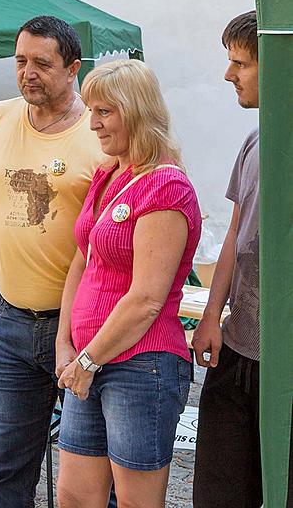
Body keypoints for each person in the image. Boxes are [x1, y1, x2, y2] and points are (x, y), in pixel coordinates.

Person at [0, 16, 104, 507]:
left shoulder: (100, 130)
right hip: (12, 321)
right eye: (21, 61)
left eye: (42, 63)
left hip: (86, 327)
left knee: (91, 470)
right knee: (6, 464)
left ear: (73, 69)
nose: (28, 73)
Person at [54, 59, 200, 507]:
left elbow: (147, 299)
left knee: (137, 500)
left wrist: (86, 359)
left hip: (141, 362)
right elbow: (83, 260)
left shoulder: (165, 187)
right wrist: (66, 344)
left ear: (136, 111)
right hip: (90, 359)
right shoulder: (110, 173)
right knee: (75, 496)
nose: (92, 123)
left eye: (105, 112)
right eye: (91, 109)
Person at [191, 11, 287, 507]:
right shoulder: (253, 141)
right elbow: (233, 235)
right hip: (238, 348)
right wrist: (212, 314)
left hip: (285, 365)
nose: (230, 75)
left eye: (241, 63)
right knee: (220, 490)